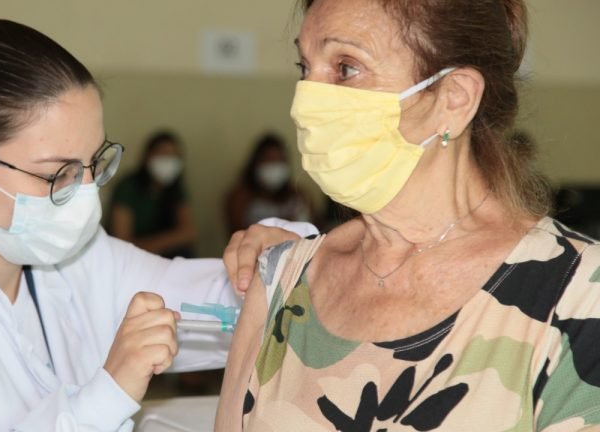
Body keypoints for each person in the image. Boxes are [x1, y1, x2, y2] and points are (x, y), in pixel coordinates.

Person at [0, 20, 316, 432]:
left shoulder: (75, 260)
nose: (86, 191)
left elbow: (225, 306)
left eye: (92, 163)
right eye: (57, 174)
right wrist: (109, 392)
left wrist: (284, 262)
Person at [217, 0, 600, 431]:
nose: (306, 100)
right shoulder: (281, 280)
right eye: (304, 67)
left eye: (346, 68)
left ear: (454, 98)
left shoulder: (577, 295)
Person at [109, 130, 197, 258]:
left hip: (161, 256)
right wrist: (167, 241)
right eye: (163, 154)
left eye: (174, 156)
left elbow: (189, 233)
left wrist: (154, 245)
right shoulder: (128, 187)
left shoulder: (176, 189)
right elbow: (121, 240)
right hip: (131, 258)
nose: (168, 161)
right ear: (147, 156)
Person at [225, 132, 316, 234]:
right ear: (256, 163)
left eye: (280, 160)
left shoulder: (299, 195)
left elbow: (319, 228)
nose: (275, 166)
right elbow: (237, 234)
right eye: (269, 159)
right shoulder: (240, 198)